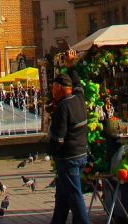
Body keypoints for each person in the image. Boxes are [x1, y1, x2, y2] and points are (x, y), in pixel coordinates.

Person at [47, 74, 89, 224]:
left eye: (52, 87)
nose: (52, 91)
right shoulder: (79, 99)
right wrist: (71, 66)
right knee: (63, 196)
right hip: (81, 153)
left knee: (74, 194)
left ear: (58, 88)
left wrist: (51, 151)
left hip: (68, 158)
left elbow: (58, 137)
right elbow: (79, 84)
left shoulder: (62, 107)